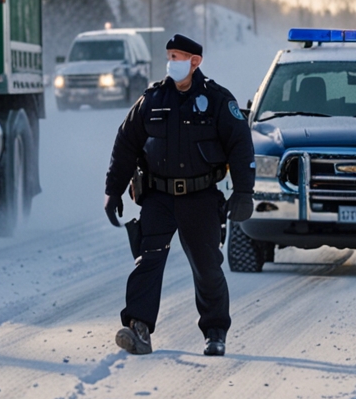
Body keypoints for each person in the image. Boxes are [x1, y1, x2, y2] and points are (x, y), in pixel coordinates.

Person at [103, 33, 255, 357]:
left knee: (207, 267)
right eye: (170, 56)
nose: (173, 63)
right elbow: (126, 144)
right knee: (148, 261)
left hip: (200, 198)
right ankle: (138, 328)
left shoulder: (217, 100)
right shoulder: (152, 99)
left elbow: (240, 146)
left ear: (195, 61)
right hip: (158, 196)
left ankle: (215, 332)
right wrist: (112, 190)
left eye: (179, 57)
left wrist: (243, 192)